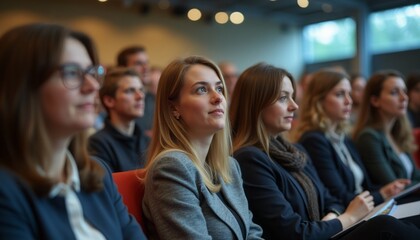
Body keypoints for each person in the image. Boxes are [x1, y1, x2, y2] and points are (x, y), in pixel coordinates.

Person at [230, 63, 420, 240]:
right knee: (385, 226)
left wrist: (334, 218)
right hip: (323, 233)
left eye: (292, 96)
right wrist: (349, 217)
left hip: (327, 230)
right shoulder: (249, 159)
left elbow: (332, 200)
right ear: (256, 105)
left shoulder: (295, 151)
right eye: (283, 98)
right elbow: (294, 232)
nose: (294, 106)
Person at [0, 23, 146, 239]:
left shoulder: (98, 174)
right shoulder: (6, 191)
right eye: (71, 73)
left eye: (91, 72)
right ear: (23, 88)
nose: (92, 86)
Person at [142, 56, 263, 239]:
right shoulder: (171, 167)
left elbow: (252, 232)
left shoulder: (229, 166)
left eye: (219, 88)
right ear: (174, 107)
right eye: (201, 89)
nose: (217, 97)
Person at [294, 69, 409, 207]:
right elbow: (339, 196)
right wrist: (382, 194)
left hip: (368, 209)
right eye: (340, 94)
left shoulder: (344, 137)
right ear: (318, 100)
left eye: (349, 94)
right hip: (351, 217)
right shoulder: (314, 140)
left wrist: (385, 191)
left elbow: (366, 186)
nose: (349, 101)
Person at [353, 70, 420, 185]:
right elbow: (393, 186)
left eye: (404, 91)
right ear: (375, 100)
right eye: (394, 92)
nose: (404, 98)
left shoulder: (397, 133)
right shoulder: (368, 137)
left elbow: (416, 176)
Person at [88, 67, 150, 172]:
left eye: (141, 90)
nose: (140, 96)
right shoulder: (97, 144)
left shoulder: (148, 142)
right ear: (109, 101)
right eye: (130, 90)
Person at [117, 45, 154, 136]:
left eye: (147, 62)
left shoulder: (155, 99)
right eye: (138, 63)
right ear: (123, 68)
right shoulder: (117, 100)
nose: (146, 68)